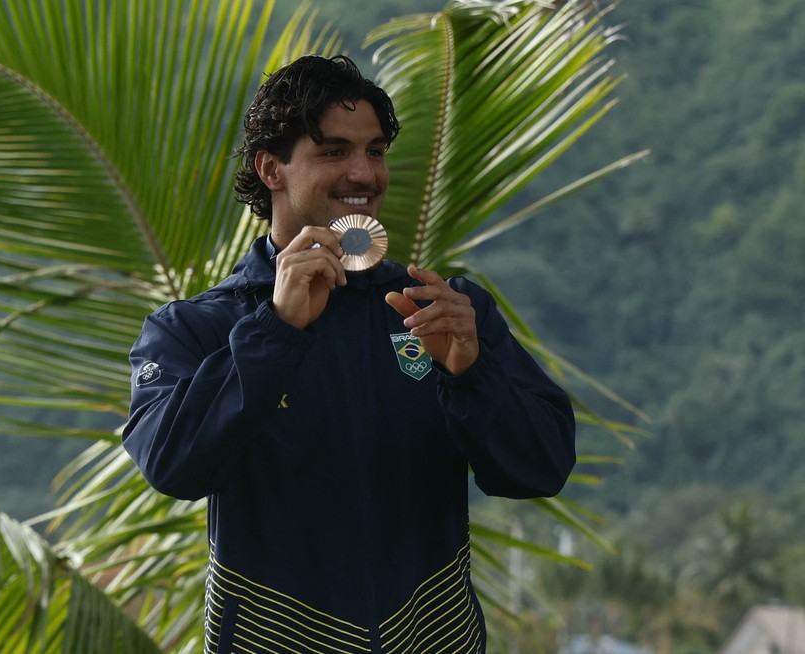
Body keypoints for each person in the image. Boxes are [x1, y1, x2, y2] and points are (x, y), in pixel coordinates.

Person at [122, 54, 575, 654]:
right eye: (333, 152)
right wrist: (278, 329)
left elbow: (542, 468)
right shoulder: (193, 327)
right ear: (271, 169)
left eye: (376, 151)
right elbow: (174, 466)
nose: (364, 173)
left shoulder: (444, 310)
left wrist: (469, 373)